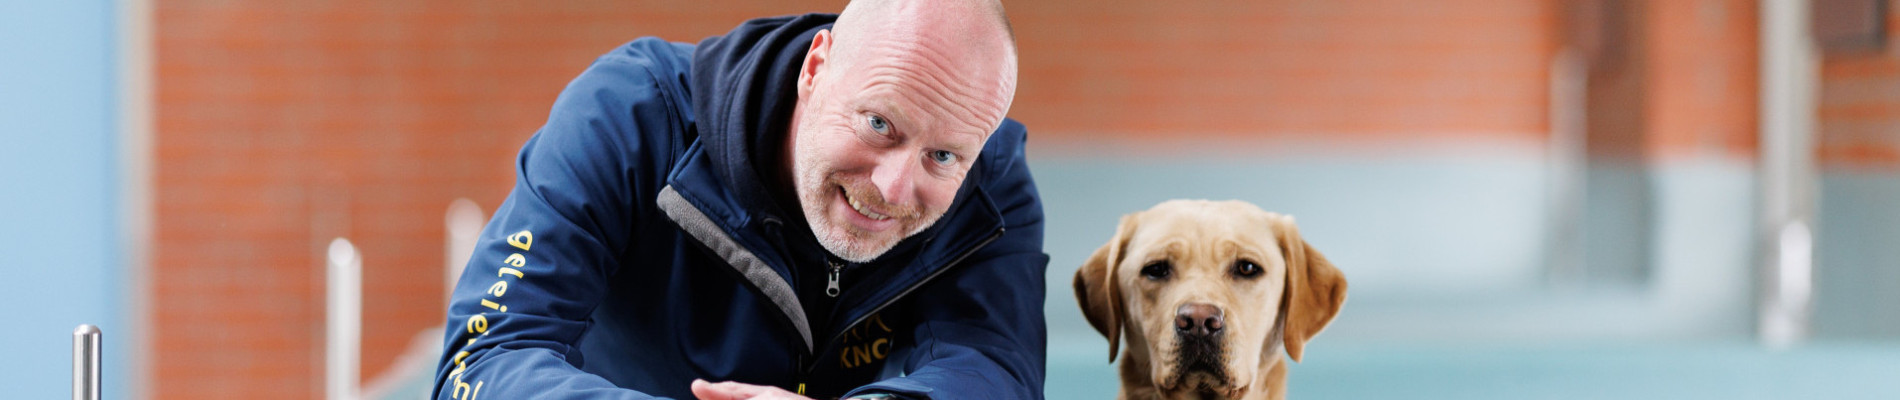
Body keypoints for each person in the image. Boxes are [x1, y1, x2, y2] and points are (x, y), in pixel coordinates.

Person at [431, 0, 1045, 399]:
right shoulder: (626, 117)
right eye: (879, 125)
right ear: (816, 69)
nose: (891, 189)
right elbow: (485, 359)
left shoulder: (988, 187)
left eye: (943, 157)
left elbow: (995, 370)